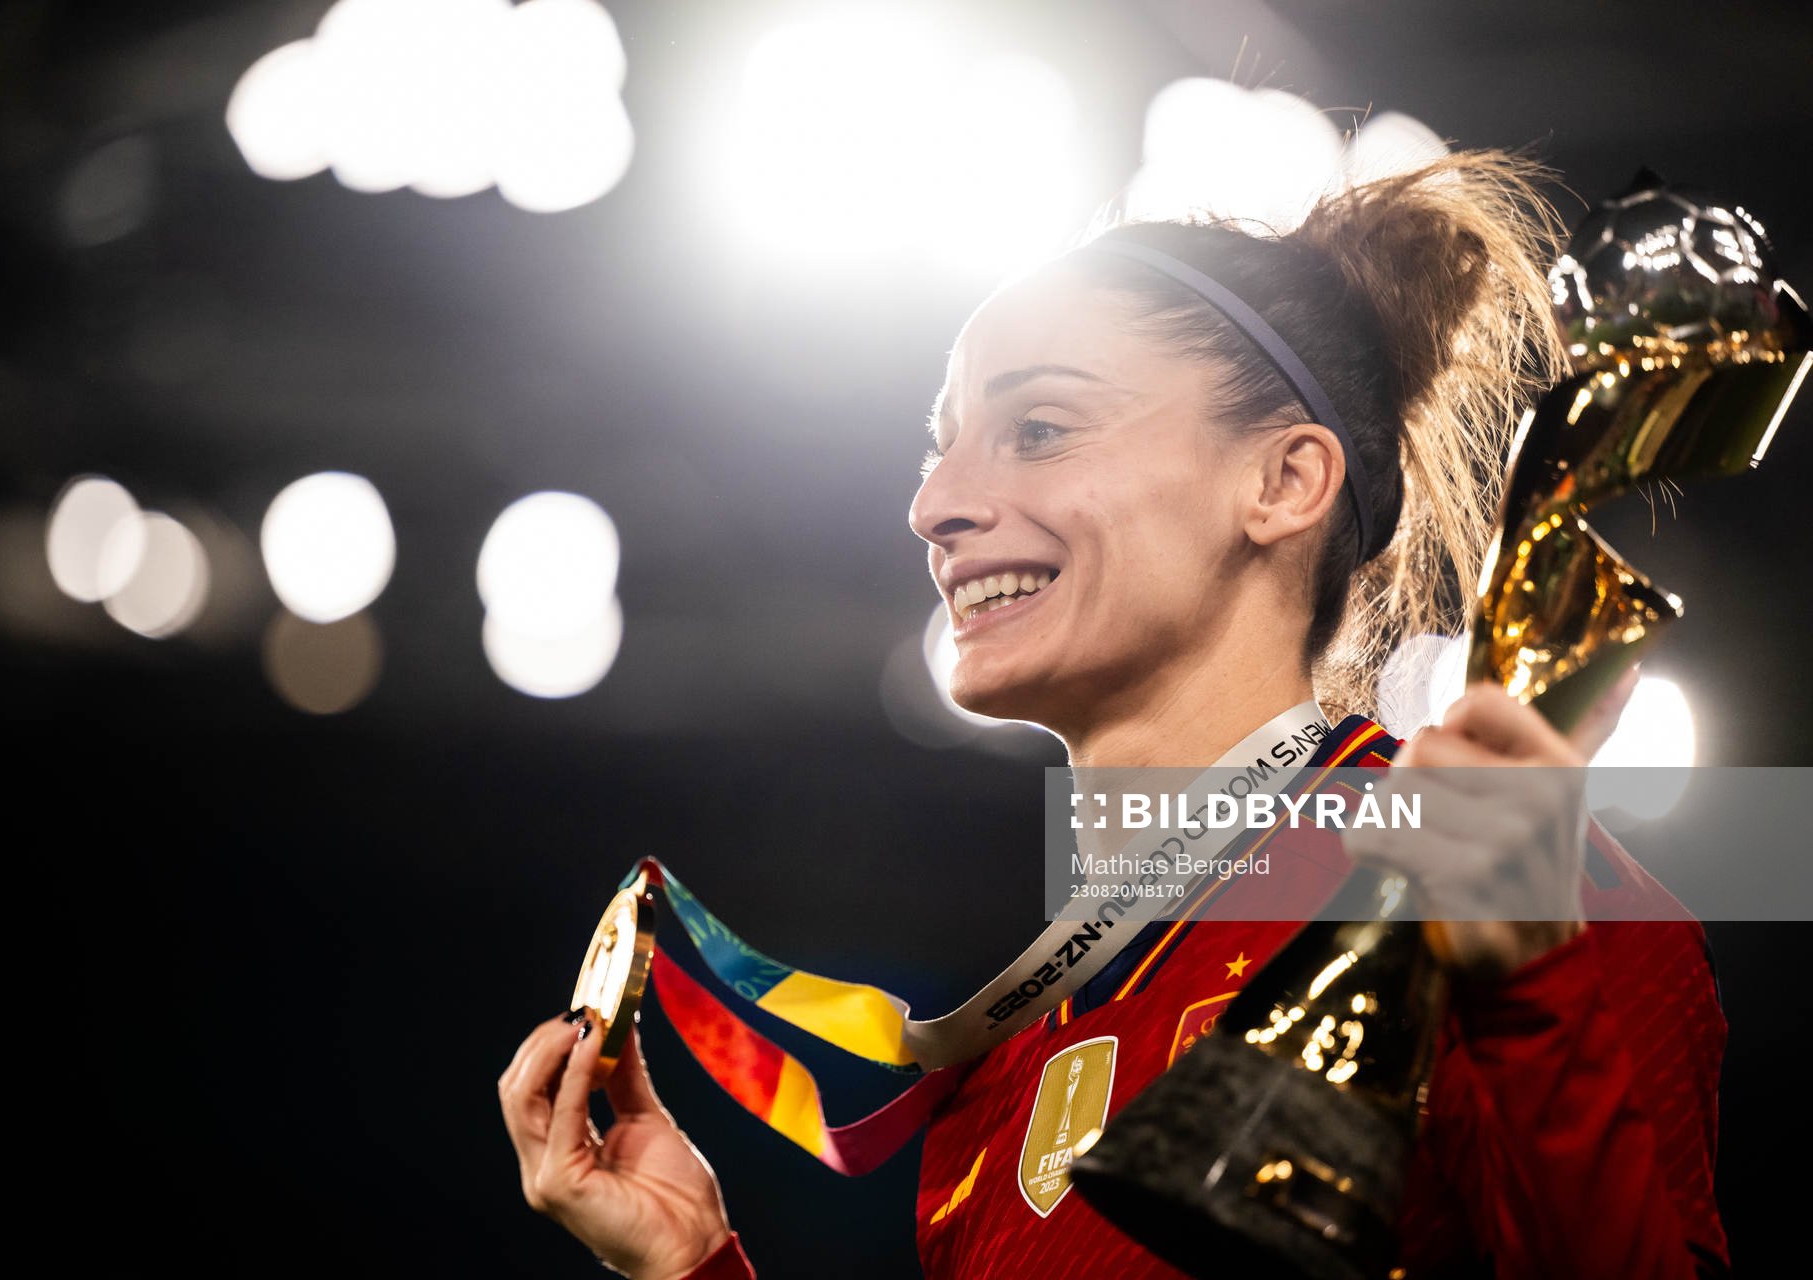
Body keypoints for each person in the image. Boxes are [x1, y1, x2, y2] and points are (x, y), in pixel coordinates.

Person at [497, 149, 1730, 1278]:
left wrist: (1528, 994)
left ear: (1283, 480)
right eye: (940, 448)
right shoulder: (994, 1087)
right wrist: (693, 1264)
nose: (936, 503)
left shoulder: (1514, 896)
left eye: (1039, 428)